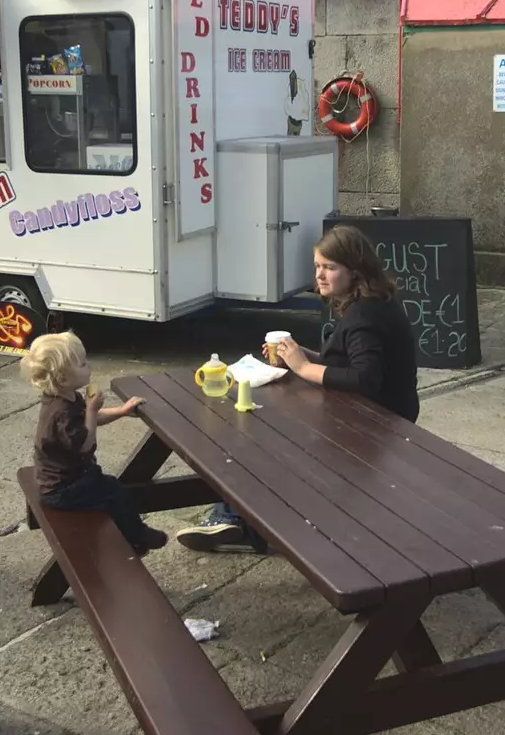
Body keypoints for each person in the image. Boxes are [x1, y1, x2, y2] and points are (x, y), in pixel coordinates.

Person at [174, 224, 419, 553]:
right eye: (317, 265)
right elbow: (352, 364)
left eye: (330, 268)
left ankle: (241, 523)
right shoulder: (372, 305)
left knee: (269, 438)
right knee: (270, 432)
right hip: (373, 416)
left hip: (376, 424)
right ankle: (236, 519)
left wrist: (303, 367)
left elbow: (365, 378)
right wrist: (300, 356)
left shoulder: (364, 317)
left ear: (356, 272)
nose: (319, 275)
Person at [27, 331, 168, 553]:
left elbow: (89, 421)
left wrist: (121, 411)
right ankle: (137, 537)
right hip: (61, 489)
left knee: (111, 488)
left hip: (66, 477)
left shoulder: (67, 396)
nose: (89, 366)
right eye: (82, 364)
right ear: (63, 378)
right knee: (115, 494)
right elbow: (85, 444)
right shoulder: (60, 413)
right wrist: (92, 410)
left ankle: (129, 536)